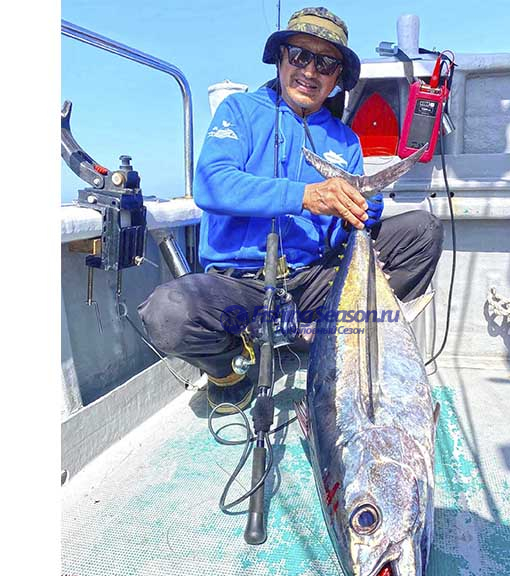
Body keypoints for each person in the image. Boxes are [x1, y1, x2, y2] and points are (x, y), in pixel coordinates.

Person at [138, 7, 443, 414]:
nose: (310, 71)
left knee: (422, 231)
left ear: (337, 77)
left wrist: (359, 213)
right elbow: (212, 184)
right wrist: (305, 196)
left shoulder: (345, 140)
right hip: (241, 288)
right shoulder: (240, 112)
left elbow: (338, 231)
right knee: (167, 314)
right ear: (280, 58)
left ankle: (333, 335)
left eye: (326, 63)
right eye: (300, 55)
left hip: (313, 281)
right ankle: (227, 368)